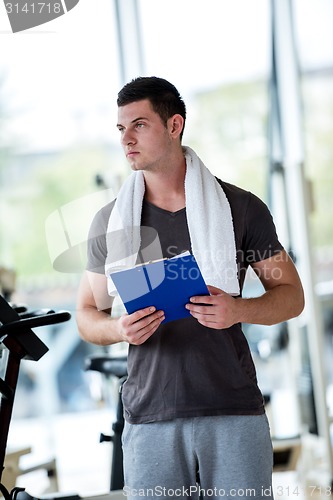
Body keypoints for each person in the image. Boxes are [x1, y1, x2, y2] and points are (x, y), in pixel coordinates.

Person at [76, 76, 304, 499]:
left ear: (174, 125)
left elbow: (292, 295)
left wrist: (240, 309)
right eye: (121, 129)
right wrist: (118, 329)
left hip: (232, 410)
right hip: (149, 417)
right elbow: (88, 315)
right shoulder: (111, 221)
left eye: (139, 125)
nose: (127, 139)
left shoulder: (241, 208)